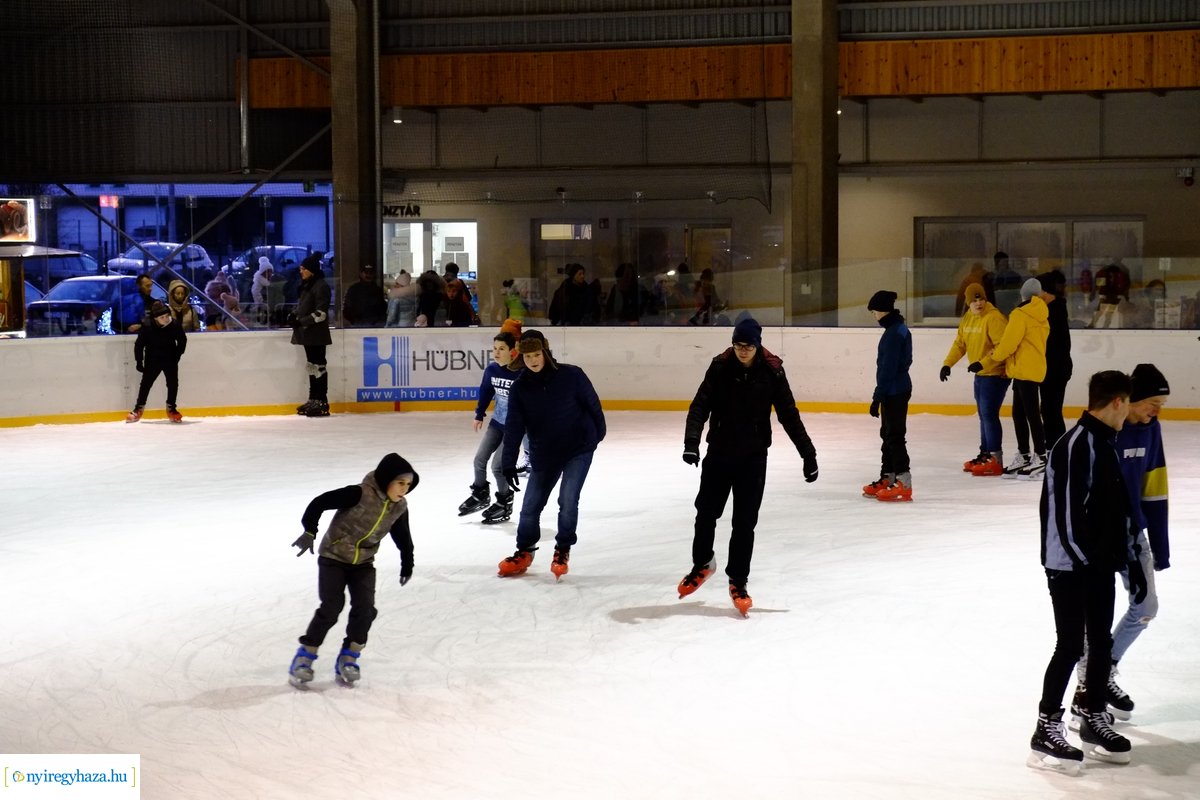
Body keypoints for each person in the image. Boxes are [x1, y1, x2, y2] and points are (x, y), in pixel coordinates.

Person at [1028, 370, 1143, 773]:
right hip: (1069, 567)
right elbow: (1066, 516)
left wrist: (1124, 558)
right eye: (1128, 403)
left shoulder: (1105, 443)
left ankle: (1093, 715)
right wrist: (1086, 561)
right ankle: (1046, 726)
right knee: (1070, 646)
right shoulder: (1076, 445)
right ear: (1117, 402)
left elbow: (1114, 511)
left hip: (1097, 565)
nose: (1129, 411)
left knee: (1099, 644)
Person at [679, 316, 818, 616]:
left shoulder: (772, 372)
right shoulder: (720, 366)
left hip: (753, 460)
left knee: (744, 523)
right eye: (738, 345)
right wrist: (692, 443)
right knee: (705, 513)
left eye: (749, 346)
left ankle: (738, 581)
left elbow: (789, 415)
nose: (743, 351)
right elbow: (699, 405)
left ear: (757, 345)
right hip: (718, 453)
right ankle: (703, 563)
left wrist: (808, 454)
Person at [1070, 364, 1170, 728]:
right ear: (1127, 402)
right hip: (1099, 538)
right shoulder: (1104, 433)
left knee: (1146, 606)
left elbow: (1155, 487)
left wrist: (1160, 544)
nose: (1157, 410)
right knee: (1094, 616)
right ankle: (1088, 687)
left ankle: (1103, 670)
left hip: (1133, 534)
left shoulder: (1151, 431)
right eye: (1152, 403)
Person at [287, 453, 418, 688]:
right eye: (400, 483)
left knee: (366, 610)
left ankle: (349, 656)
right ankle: (305, 656)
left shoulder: (399, 507)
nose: (404, 489)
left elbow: (403, 536)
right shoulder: (359, 493)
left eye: (408, 484)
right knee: (331, 608)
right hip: (333, 558)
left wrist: (407, 561)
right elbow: (320, 502)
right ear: (386, 479)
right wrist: (310, 531)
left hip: (363, 564)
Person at [496, 329, 605, 580]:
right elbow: (514, 427)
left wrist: (597, 436)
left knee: (568, 500)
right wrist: (508, 463)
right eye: (527, 356)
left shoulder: (572, 375)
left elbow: (593, 404)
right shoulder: (520, 388)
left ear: (545, 352)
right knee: (530, 506)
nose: (533, 360)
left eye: (536, 354)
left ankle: (562, 549)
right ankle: (524, 551)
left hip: (578, 448)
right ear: (520, 357)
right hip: (544, 452)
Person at [969, 277, 1050, 479]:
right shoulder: (1042, 314)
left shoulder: (1020, 315)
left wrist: (984, 362)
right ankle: (1025, 455)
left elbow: (1007, 345)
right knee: (1022, 414)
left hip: (1023, 370)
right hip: (1032, 370)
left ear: (1022, 294)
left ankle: (1040, 456)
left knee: (1028, 415)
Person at [458, 326, 525, 523]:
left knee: (498, 467)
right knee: (479, 460)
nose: (496, 352)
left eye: (501, 349)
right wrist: (479, 414)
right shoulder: (492, 370)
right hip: (496, 424)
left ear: (513, 351)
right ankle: (480, 494)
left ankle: (505, 501)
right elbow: (486, 391)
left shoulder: (521, 373)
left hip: (514, 429)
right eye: (494, 348)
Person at [942, 282, 1009, 475]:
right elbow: (960, 344)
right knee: (983, 415)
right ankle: (986, 453)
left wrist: (983, 363)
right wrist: (948, 364)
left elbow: (1002, 347)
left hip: (996, 374)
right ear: (968, 302)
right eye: (974, 300)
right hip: (981, 374)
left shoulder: (994, 318)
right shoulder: (968, 318)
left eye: (982, 299)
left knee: (988, 414)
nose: (979, 303)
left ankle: (995, 458)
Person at [863, 290, 914, 501]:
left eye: (874, 311)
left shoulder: (893, 333)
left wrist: (877, 396)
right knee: (888, 434)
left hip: (894, 390)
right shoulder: (898, 328)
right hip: (896, 389)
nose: (874, 315)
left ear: (881, 310)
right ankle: (889, 475)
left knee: (894, 436)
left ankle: (903, 480)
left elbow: (888, 368)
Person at [127, 300, 187, 423]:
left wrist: (177, 355)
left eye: (167, 316)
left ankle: (171, 408)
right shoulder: (147, 326)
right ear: (155, 319)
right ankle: (138, 409)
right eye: (162, 317)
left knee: (173, 383)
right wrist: (139, 361)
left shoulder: (174, 325)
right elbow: (139, 345)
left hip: (170, 358)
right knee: (145, 384)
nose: (166, 319)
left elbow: (182, 340)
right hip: (152, 359)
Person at [291, 254, 332, 417]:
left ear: (312, 271)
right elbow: (304, 307)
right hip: (308, 333)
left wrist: (302, 321)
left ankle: (321, 401)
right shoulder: (308, 285)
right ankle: (313, 398)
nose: (301, 272)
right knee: (312, 365)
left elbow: (321, 313)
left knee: (319, 365)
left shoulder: (321, 286)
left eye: (303, 269)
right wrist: (294, 316)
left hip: (316, 333)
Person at [1036, 270, 1073, 449]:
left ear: (1044, 291)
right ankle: (1052, 445)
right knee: (1049, 409)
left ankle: (1056, 447)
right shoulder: (1053, 307)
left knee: (1051, 410)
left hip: (1056, 368)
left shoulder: (1054, 310)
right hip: (1051, 367)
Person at [443, 263, 476, 327]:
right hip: (460, 314)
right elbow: (468, 297)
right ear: (456, 272)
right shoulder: (459, 282)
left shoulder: (441, 282)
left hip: (445, 314)